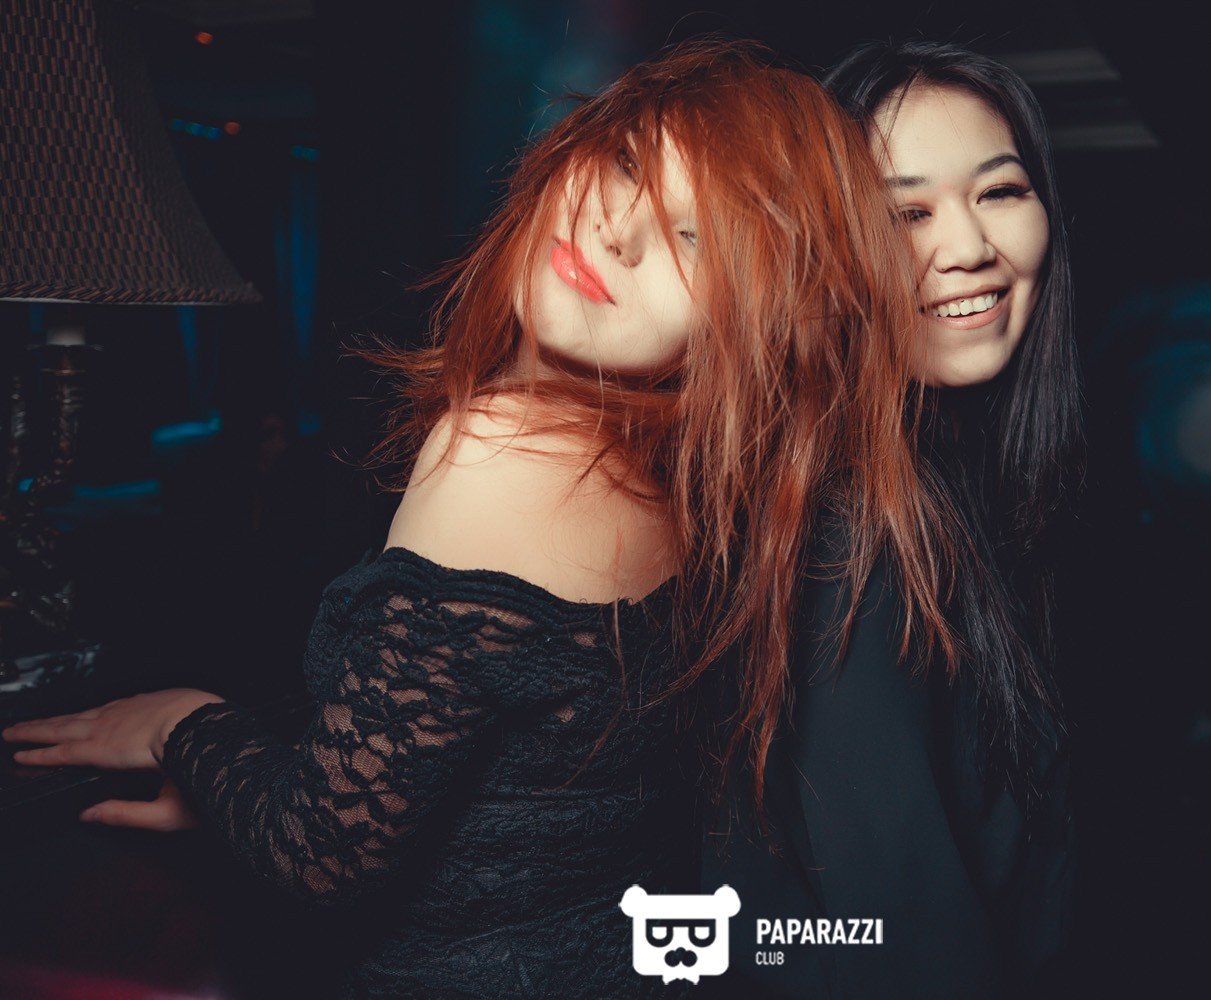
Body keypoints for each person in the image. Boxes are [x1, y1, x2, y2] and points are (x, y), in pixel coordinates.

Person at [2, 39, 961, 998]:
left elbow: (321, 853)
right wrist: (238, 789)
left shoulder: (509, 449)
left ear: (758, 316)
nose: (618, 229)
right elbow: (511, 781)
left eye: (696, 237)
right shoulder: (678, 477)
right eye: (626, 162)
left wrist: (184, 724)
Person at [700, 41, 1086, 998]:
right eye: (904, 213)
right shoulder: (847, 536)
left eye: (1000, 191)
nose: (967, 248)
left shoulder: (956, 487)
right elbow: (896, 945)